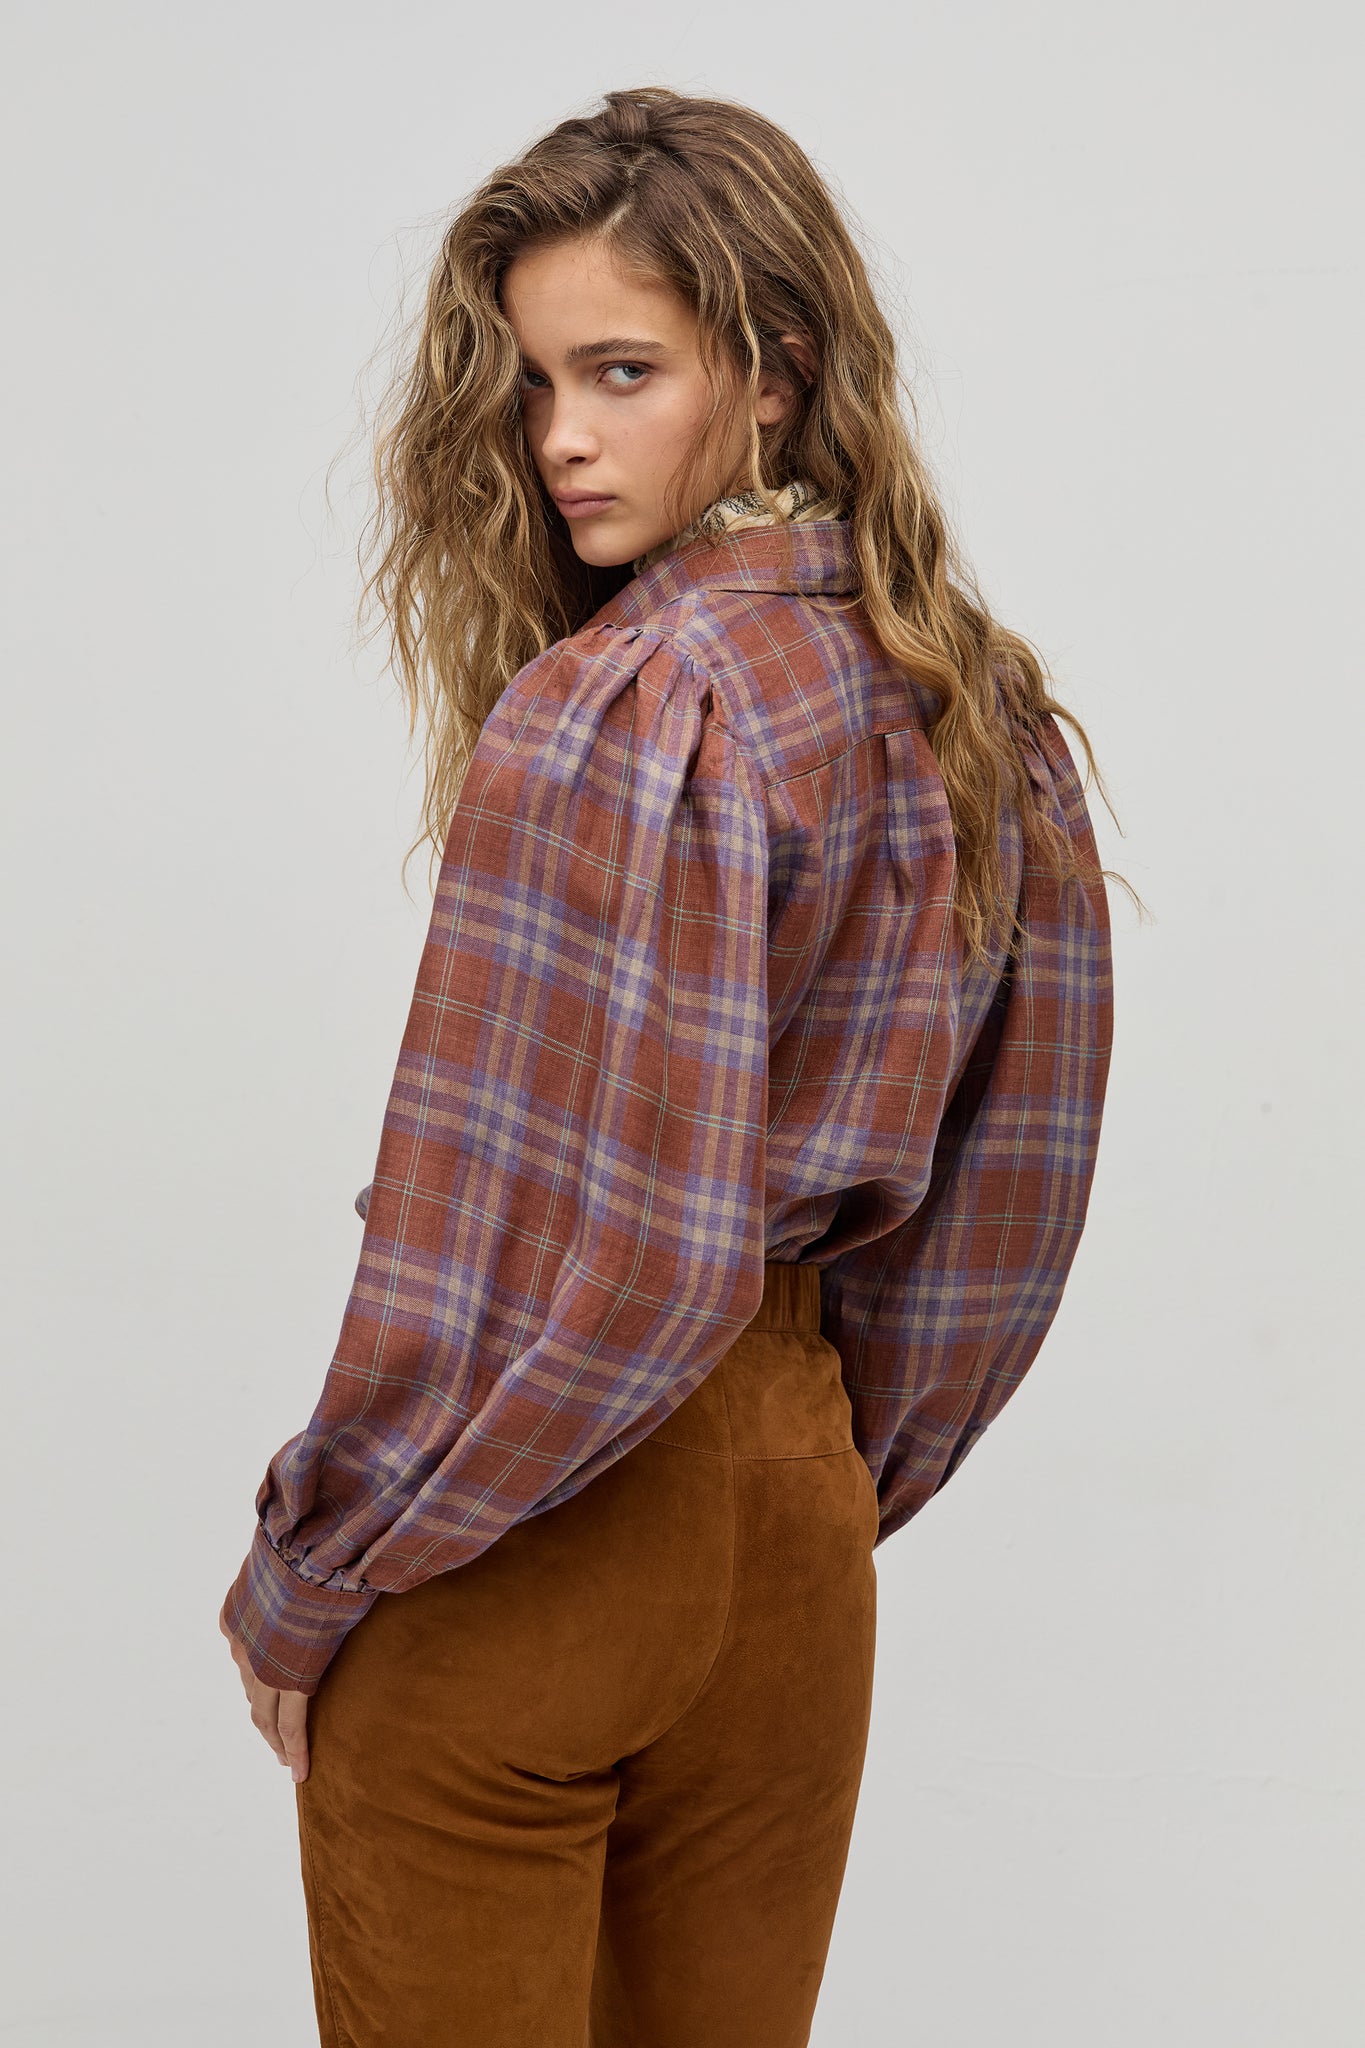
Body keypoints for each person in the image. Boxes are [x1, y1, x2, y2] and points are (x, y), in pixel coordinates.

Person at [219, 85, 1122, 2048]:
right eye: (536, 380)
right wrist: (819, 1471)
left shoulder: (615, 703)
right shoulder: (977, 711)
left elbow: (543, 1244)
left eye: (620, 373)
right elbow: (1009, 1200)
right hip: (794, 1540)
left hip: (523, 1532)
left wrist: (312, 1565)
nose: (557, 436)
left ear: (775, 374)